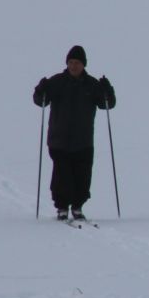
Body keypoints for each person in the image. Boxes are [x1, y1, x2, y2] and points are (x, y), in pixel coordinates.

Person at [33, 46, 115, 221]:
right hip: (59, 140)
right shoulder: (57, 82)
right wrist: (40, 90)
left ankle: (77, 207)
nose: (73, 66)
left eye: (77, 63)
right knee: (62, 176)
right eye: (70, 62)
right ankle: (62, 207)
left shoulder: (92, 85)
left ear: (83, 64)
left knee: (82, 176)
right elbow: (41, 101)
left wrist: (108, 91)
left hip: (83, 140)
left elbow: (107, 104)